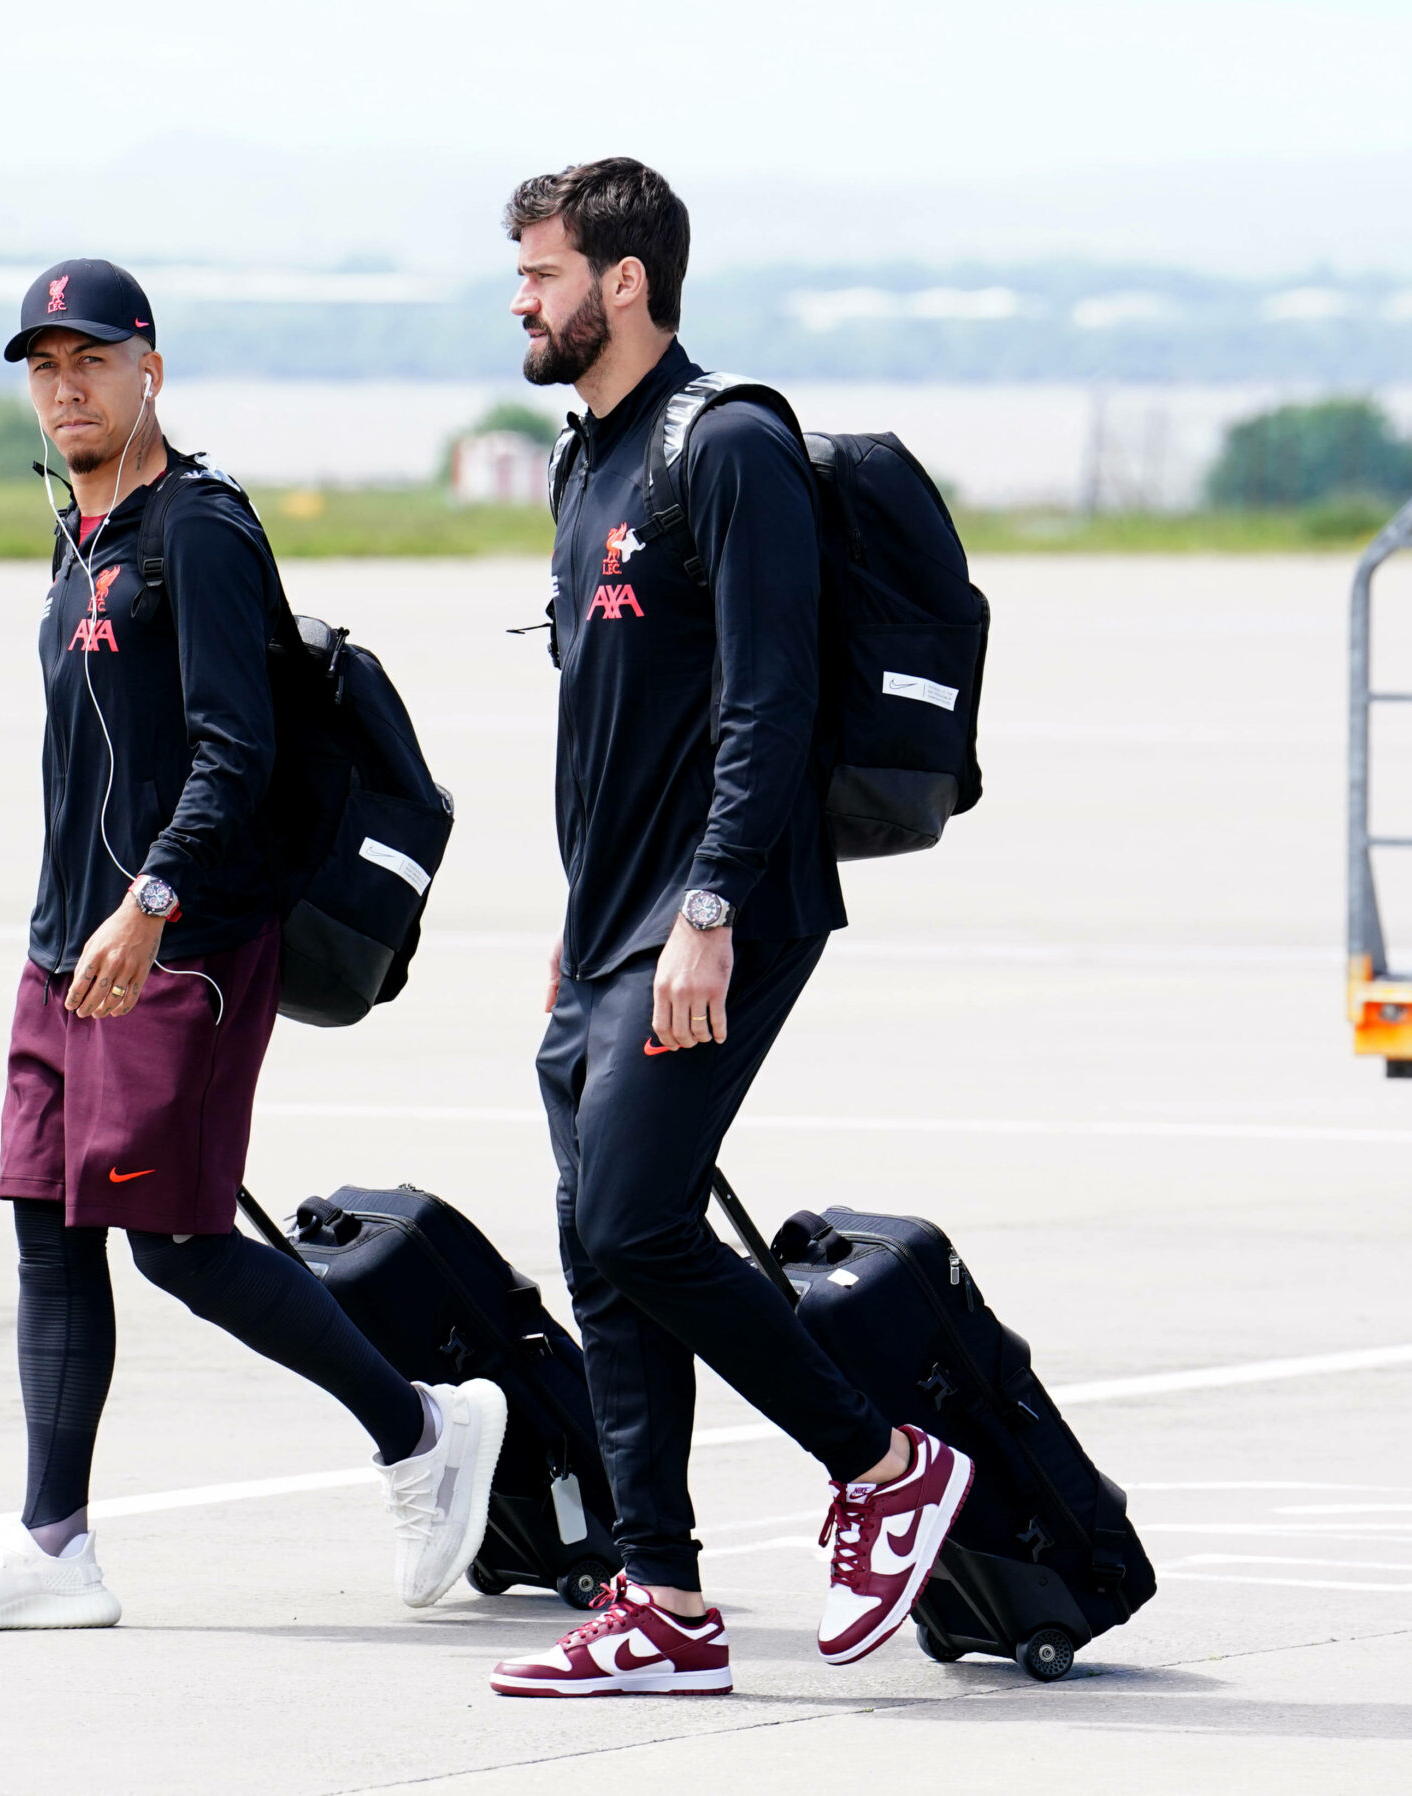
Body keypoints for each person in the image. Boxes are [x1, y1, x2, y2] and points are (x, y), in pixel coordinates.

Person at [0, 258, 506, 1632]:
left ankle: (422, 1431)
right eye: (43, 365)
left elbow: (241, 746)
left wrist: (153, 899)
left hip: (187, 944)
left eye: (90, 360)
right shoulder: (81, 538)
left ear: (148, 366)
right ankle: (56, 1545)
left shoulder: (202, 531)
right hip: (65, 949)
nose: (65, 387)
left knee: (173, 1242)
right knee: (46, 1229)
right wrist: (72, 926)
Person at [486, 164, 974, 1698]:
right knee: (602, 1251)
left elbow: (766, 700)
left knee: (635, 1218)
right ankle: (662, 1602)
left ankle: (882, 1463)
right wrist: (583, 923)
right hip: (611, 924)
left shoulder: (731, 444)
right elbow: (607, 728)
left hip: (724, 909)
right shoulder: (587, 465)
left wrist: (704, 907)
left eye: (545, 273)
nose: (523, 300)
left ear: (624, 284)